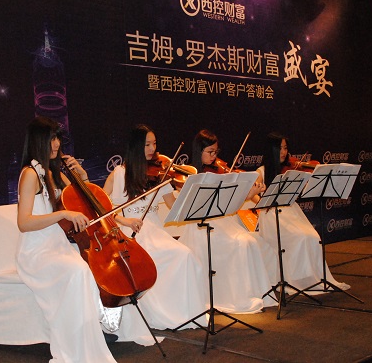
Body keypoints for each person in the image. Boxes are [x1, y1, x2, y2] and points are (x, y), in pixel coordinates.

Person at [15, 116, 119, 363]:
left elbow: (85, 199)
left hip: (56, 245)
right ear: (38, 141)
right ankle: (74, 342)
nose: (57, 144)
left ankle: (87, 336)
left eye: (57, 138)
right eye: (51, 138)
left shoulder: (52, 172)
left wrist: (81, 175)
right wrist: (62, 214)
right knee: (77, 271)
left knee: (85, 268)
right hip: (35, 251)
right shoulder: (30, 174)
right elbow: (24, 223)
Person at [103, 124, 208, 330]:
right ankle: (161, 311)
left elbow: (173, 204)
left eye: (154, 144)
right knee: (155, 259)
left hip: (154, 229)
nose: (153, 149)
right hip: (131, 231)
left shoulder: (159, 173)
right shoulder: (120, 173)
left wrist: (189, 193)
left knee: (184, 255)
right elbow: (102, 206)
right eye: (147, 145)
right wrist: (124, 220)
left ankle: (183, 311)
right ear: (136, 147)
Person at [174, 129, 278, 313]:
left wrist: (251, 193)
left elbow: (230, 202)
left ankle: (252, 294)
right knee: (241, 244)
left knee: (250, 242)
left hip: (223, 222)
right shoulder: (189, 174)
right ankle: (236, 297)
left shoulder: (220, 171)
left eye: (216, 152)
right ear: (199, 151)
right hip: (201, 225)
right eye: (210, 152)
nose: (214, 157)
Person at [253, 131, 350, 294]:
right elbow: (253, 194)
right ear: (272, 149)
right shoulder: (261, 171)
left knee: (313, 237)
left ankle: (311, 278)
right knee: (299, 237)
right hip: (271, 215)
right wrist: (263, 202)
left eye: (285, 148)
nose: (284, 152)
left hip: (290, 211)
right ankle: (296, 280)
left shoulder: (289, 170)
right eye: (280, 148)